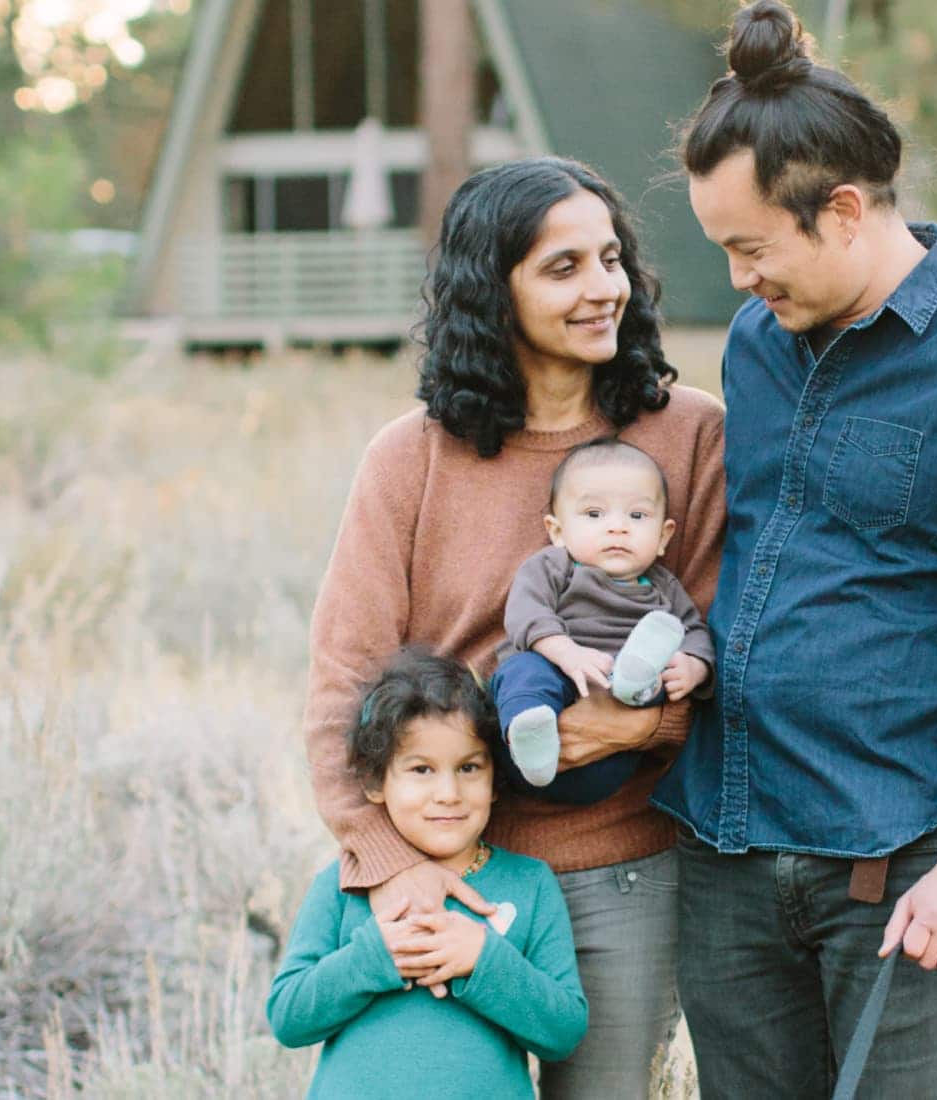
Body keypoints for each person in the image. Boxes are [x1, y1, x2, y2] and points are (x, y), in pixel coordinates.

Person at [652, 3, 937, 1096]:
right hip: (729, 845)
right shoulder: (760, 342)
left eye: (751, 248)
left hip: (894, 861)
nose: (738, 280)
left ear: (842, 210)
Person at [299, 156, 726, 1097]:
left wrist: (637, 724)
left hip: (625, 870)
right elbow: (344, 685)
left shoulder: (689, 435)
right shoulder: (410, 458)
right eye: (563, 267)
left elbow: (721, 657)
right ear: (493, 290)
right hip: (446, 867)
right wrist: (388, 865)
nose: (603, 287)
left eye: (611, 259)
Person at [268, 649, 588, 1099]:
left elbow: (563, 1031)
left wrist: (483, 958)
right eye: (421, 769)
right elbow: (288, 1016)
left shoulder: (529, 884)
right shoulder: (346, 883)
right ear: (376, 783)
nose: (448, 793)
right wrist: (374, 957)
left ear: (497, 780)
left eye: (469, 768)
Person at [491, 438, 715, 804]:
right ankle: (529, 726)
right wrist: (565, 652)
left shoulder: (664, 589)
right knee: (523, 671)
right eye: (595, 515)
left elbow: (695, 633)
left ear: (663, 537)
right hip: (557, 678)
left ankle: (636, 678)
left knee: (661, 671)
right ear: (558, 531)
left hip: (611, 743)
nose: (617, 528)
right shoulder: (553, 567)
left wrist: (693, 668)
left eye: (637, 516)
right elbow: (525, 613)